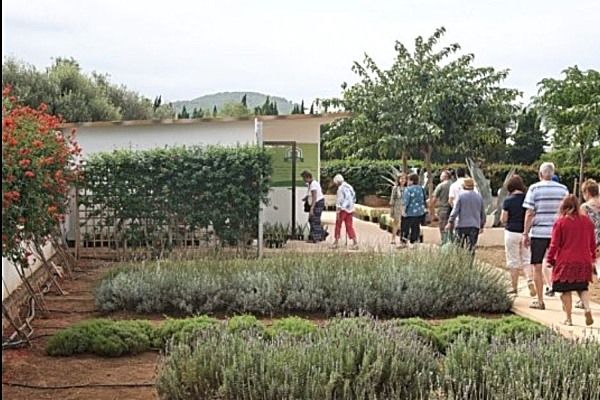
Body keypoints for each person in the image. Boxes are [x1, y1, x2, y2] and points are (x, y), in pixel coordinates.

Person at [522, 162, 569, 310]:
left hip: (539, 233)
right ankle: (564, 300)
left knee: (537, 266)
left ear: (540, 174)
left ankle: (540, 300)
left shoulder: (534, 188)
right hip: (558, 232)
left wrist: (525, 233)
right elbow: (568, 211)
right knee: (559, 265)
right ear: (553, 173)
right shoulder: (563, 189)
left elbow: (529, 213)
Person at [546, 195, 595, 326]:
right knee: (582, 287)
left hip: (566, 261)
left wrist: (550, 259)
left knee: (564, 291)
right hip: (584, 260)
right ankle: (587, 308)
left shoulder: (561, 222)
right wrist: (593, 257)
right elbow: (592, 243)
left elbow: (554, 244)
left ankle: (569, 318)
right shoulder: (587, 221)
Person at [501, 175, 536, 296]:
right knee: (527, 259)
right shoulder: (528, 199)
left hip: (511, 232)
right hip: (525, 232)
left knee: (513, 260)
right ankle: (530, 280)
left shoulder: (508, 200)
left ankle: (514, 287)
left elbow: (503, 218)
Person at [576, 179, 600, 309]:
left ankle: (583, 301)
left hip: (591, 243)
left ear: (587, 192)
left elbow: (581, 228)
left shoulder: (584, 207)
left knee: (585, 273)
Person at [445, 178, 485, 253]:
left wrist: (450, 221)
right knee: (471, 247)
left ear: (464, 186)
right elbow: (482, 213)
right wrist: (482, 225)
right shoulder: (479, 197)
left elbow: (455, 210)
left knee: (459, 247)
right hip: (474, 225)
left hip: (461, 225)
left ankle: (461, 263)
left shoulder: (461, 196)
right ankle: (470, 263)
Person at [331, 174, 358, 250]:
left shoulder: (341, 189)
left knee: (338, 225)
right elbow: (353, 197)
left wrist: (341, 208)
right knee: (349, 226)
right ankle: (355, 242)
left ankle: (336, 242)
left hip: (343, 210)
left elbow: (342, 200)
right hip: (350, 209)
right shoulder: (349, 186)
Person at [301, 170, 327, 243]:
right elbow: (310, 194)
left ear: (308, 177)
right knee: (312, 219)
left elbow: (314, 197)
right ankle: (316, 236)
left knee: (314, 219)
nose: (304, 180)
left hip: (317, 203)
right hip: (317, 202)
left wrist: (312, 208)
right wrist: (306, 198)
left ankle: (317, 237)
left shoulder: (313, 185)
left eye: (304, 178)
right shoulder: (311, 184)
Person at [402, 173, 426, 245]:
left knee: (405, 227)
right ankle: (414, 242)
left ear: (411, 181)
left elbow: (406, 201)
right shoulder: (421, 188)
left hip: (409, 212)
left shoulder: (408, 189)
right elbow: (424, 199)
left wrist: (403, 211)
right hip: (419, 212)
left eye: (408, 180)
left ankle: (404, 241)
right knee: (416, 227)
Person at [432, 170, 452, 242]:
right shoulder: (453, 185)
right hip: (453, 210)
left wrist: (432, 211)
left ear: (444, 177)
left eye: (441, 175)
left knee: (443, 227)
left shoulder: (440, 186)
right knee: (451, 227)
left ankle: (444, 243)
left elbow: (434, 199)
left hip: (443, 209)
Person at [389, 173, 407, 245]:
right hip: (397, 206)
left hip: (405, 207)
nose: (403, 180)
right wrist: (392, 209)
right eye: (401, 179)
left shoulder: (407, 188)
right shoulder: (395, 188)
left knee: (404, 224)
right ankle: (393, 238)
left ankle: (402, 239)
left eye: (404, 179)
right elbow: (392, 198)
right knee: (396, 223)